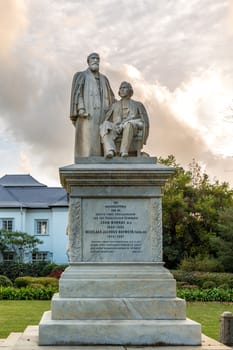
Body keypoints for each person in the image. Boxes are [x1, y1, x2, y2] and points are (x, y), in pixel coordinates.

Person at [70, 53, 115, 160]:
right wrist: (81, 108)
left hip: (103, 115)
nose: (95, 60)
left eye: (97, 59)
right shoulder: (82, 75)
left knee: (101, 138)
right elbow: (78, 93)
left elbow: (111, 96)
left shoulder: (104, 79)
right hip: (88, 114)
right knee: (88, 143)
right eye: (93, 58)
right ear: (88, 61)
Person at [100, 81, 149, 158]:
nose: (122, 90)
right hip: (117, 127)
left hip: (132, 127)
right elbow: (107, 119)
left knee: (128, 125)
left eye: (124, 88)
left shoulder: (138, 104)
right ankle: (110, 150)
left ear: (130, 90)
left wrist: (129, 122)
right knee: (105, 124)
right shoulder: (114, 105)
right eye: (120, 88)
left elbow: (143, 121)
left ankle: (123, 151)